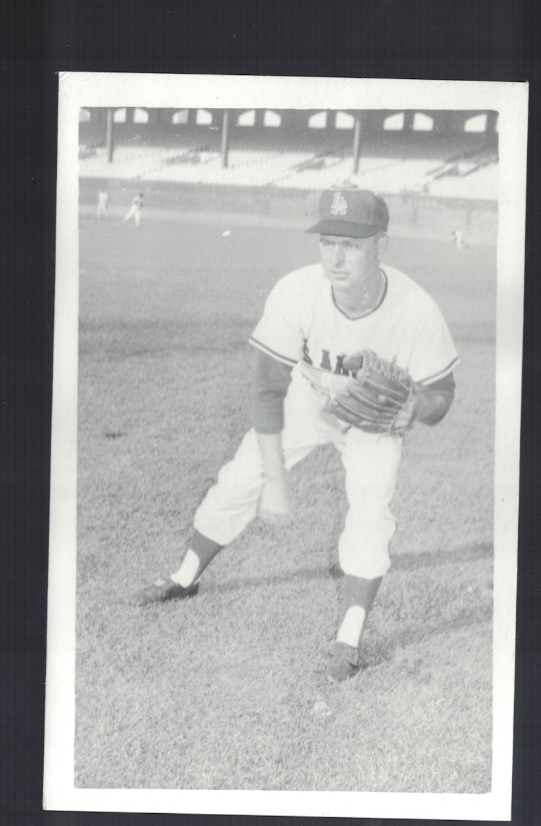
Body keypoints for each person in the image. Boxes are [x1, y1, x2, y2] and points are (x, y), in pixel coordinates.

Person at [131, 185, 459, 682]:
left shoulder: (415, 308)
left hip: (373, 420)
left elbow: (443, 391)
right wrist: (276, 482)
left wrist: (415, 409)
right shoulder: (296, 291)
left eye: (352, 243)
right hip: (308, 398)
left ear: (382, 244)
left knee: (371, 505)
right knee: (241, 477)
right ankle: (184, 578)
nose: (337, 256)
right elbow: (267, 393)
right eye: (328, 242)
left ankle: (348, 636)